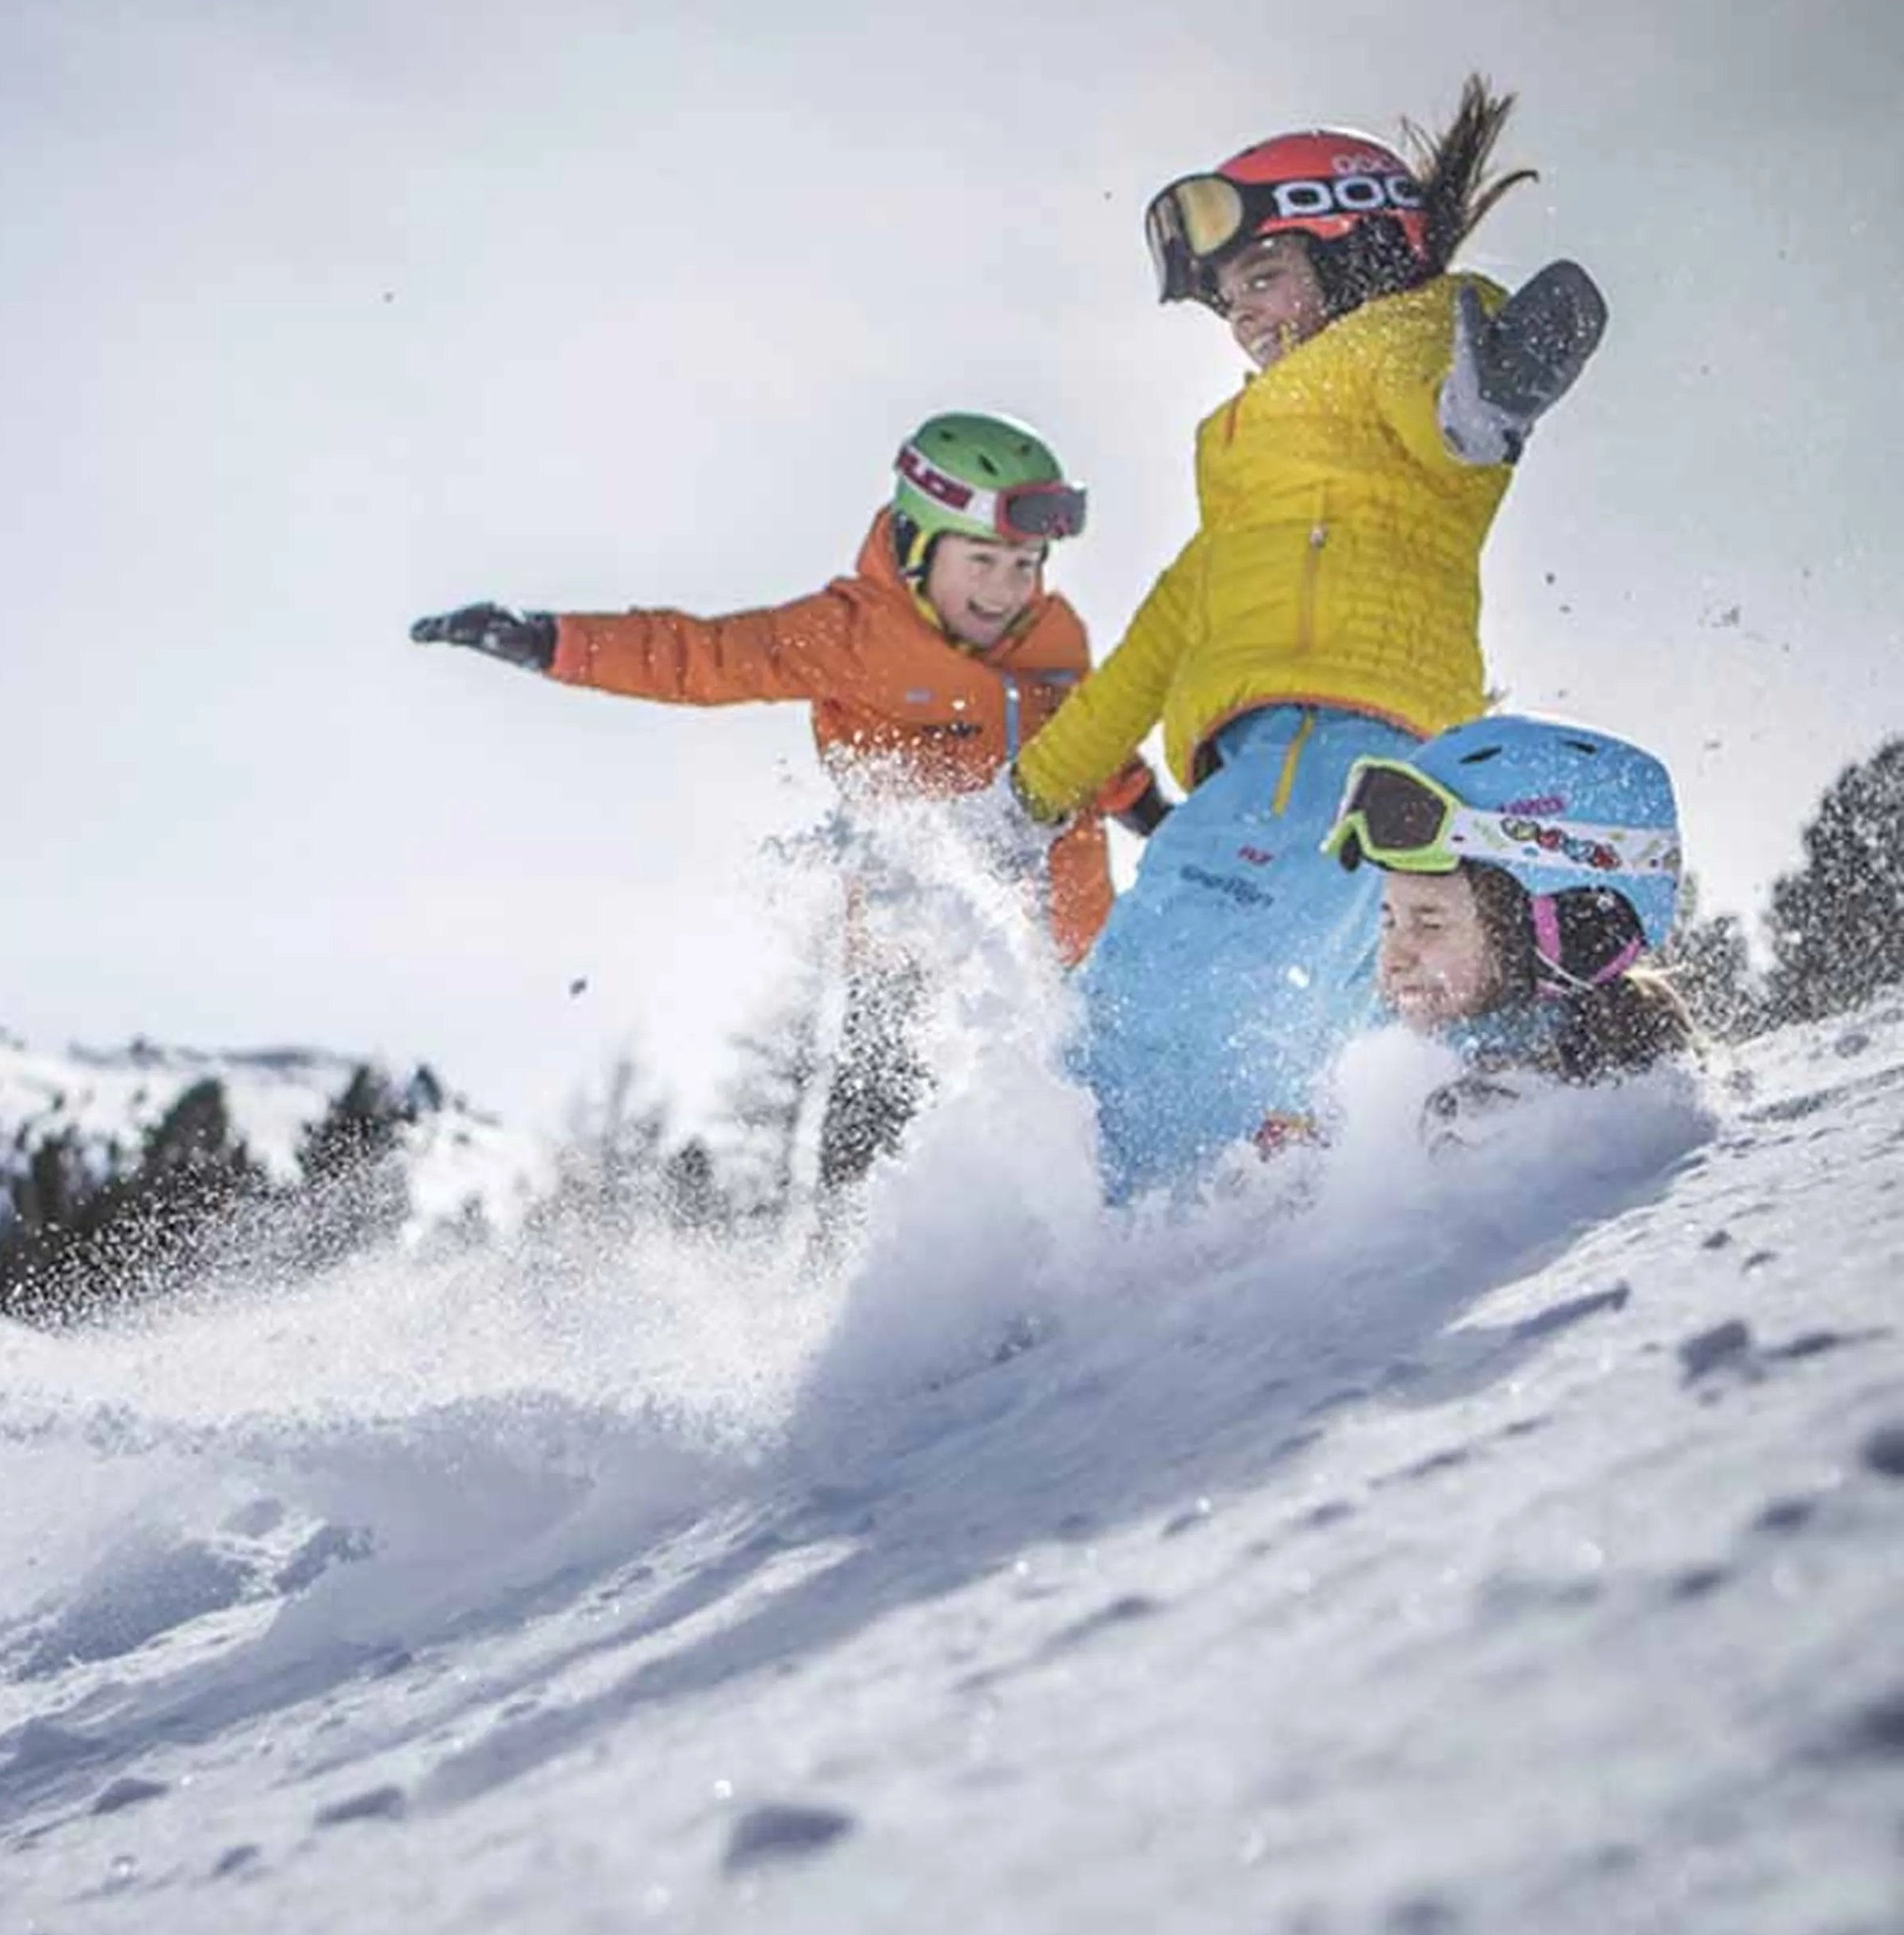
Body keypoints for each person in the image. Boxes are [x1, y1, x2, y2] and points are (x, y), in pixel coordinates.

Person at [997, 74, 1614, 1200]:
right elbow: (1152, 644)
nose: (1245, 317)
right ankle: (1470, 1123)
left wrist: (1491, 391)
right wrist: (1038, 787)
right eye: (1229, 302)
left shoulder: (1393, 342)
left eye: (1266, 275)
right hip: (1366, 779)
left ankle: (1076, 1226)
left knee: (1153, 994)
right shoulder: (1248, 482)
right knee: (1349, 1006)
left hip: (1308, 757)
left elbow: (1440, 395)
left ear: (1358, 253)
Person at [411, 410, 1166, 1192]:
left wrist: (1156, 814)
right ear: (914, 544)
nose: (1005, 589)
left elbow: (1088, 739)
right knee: (881, 1181)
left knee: (1093, 1171)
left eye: (1025, 564)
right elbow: (699, 656)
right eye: (982, 560)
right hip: (912, 967)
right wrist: (550, 642)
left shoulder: (1055, 637)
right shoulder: (848, 635)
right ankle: (853, 1292)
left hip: (1072, 964)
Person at [1325, 713, 1695, 1085]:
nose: (1393, 958)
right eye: (1389, 920)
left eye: (1430, 923)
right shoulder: (1391, 1070)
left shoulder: (1632, 1111)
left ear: (1571, 923)